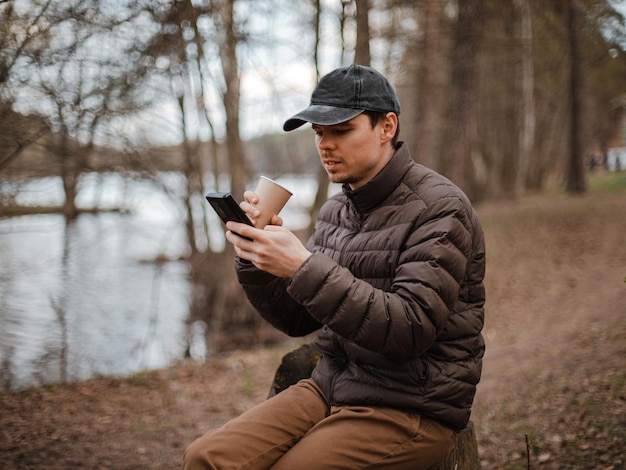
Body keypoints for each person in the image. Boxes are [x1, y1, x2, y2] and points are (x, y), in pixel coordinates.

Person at [184, 64, 486, 470]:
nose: (325, 144)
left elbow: (409, 329)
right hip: (331, 386)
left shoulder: (439, 208)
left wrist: (303, 265)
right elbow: (295, 319)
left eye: (341, 130)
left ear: (387, 126)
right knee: (205, 457)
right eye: (318, 133)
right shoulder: (336, 209)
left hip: (411, 404)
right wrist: (256, 257)